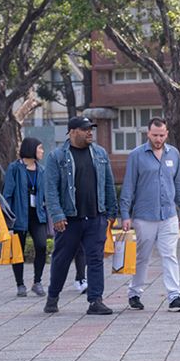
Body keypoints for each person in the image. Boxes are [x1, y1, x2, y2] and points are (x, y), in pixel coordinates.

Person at [44, 116, 118, 315]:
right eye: (85, 129)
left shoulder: (100, 153)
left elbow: (109, 184)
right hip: (69, 219)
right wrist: (57, 215)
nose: (90, 132)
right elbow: (50, 190)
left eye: (91, 129)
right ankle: (53, 297)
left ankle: (95, 301)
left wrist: (111, 211)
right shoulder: (56, 156)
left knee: (95, 259)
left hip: (96, 217)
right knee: (61, 260)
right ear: (72, 132)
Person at [120, 116, 180, 312]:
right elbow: (128, 186)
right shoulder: (136, 155)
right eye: (155, 135)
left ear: (166, 134)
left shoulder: (174, 154)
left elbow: (179, 184)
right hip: (144, 216)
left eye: (161, 135)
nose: (158, 139)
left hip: (168, 215)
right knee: (142, 257)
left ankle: (175, 296)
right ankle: (134, 293)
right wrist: (125, 214)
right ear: (147, 133)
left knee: (169, 255)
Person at [2, 137, 49, 297]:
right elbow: (7, 195)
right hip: (18, 217)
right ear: (31, 149)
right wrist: (6, 219)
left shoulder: (41, 170)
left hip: (37, 216)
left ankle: (37, 282)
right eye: (40, 148)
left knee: (42, 246)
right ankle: (20, 284)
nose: (42, 151)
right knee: (18, 251)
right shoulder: (14, 168)